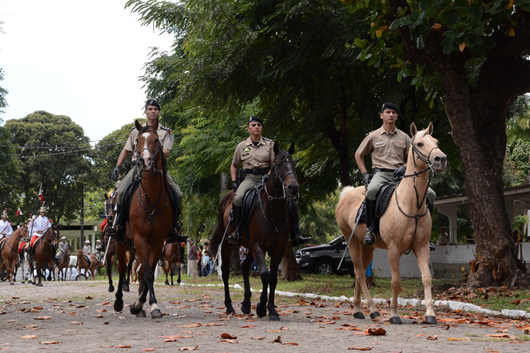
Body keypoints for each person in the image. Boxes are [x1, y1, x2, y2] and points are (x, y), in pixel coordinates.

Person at [355, 102, 436, 246]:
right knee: (371, 191)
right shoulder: (373, 136)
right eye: (387, 112)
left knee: (430, 194)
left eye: (393, 112)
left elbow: (413, 156)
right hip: (381, 174)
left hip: (401, 175)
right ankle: (370, 229)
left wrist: (404, 167)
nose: (391, 115)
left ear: (397, 116)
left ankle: (425, 232)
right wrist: (365, 173)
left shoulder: (404, 137)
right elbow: (358, 154)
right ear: (381, 115)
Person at [108, 99, 187, 244]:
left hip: (157, 168)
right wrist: (117, 167)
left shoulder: (166, 131)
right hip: (137, 166)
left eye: (156, 109)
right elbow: (126, 150)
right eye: (150, 109)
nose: (153, 111)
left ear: (159, 112)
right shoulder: (136, 131)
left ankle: (173, 227)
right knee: (122, 191)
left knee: (178, 194)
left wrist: (151, 157)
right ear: (145, 111)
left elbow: (167, 151)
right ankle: (119, 226)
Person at [227, 116, 310, 246]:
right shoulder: (241, 146)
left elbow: (274, 164)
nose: (256, 127)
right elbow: (234, 165)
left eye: (259, 125)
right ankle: (236, 232)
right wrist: (233, 181)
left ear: (262, 128)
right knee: (238, 198)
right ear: (248, 128)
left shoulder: (270, 145)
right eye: (253, 125)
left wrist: (269, 175)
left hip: (267, 178)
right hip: (250, 178)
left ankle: (296, 233)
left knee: (290, 199)